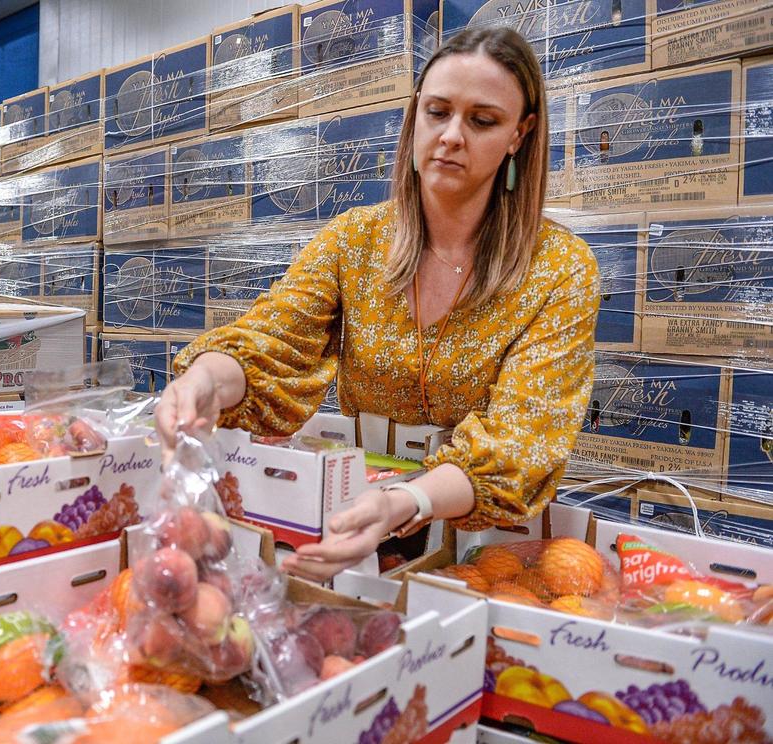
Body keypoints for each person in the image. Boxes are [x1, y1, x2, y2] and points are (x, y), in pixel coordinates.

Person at [154, 26, 600, 581]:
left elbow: (521, 437)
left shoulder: (559, 268)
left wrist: (409, 500)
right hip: (357, 527)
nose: (452, 135)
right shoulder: (353, 242)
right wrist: (202, 384)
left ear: (519, 134)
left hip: (483, 552)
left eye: (482, 121)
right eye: (437, 112)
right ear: (415, 116)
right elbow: (271, 340)